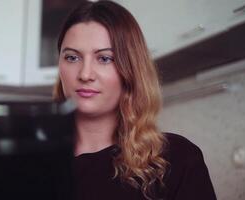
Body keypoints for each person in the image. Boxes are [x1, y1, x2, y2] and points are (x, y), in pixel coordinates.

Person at [52, 1, 217, 200]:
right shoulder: (32, 164)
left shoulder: (177, 159)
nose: (85, 74)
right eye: (72, 57)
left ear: (130, 69)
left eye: (105, 58)